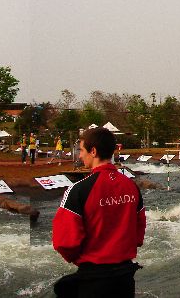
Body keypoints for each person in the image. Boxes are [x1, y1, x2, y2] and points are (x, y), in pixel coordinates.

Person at [52, 127, 146, 297]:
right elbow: (139, 234)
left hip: (93, 279)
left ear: (93, 151)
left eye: (81, 150)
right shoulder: (131, 186)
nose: (80, 156)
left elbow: (64, 242)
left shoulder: (78, 190)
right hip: (125, 278)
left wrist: (85, 257)